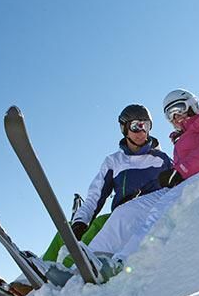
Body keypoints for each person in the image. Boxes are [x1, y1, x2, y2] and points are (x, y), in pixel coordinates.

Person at [62, 104, 172, 274]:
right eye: (136, 126)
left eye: (146, 126)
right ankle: (36, 276)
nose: (142, 131)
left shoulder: (161, 160)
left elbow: (173, 188)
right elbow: (95, 196)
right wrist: (80, 222)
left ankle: (71, 269)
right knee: (67, 229)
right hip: (117, 217)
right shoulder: (114, 161)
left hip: (141, 216)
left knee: (100, 226)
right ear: (124, 128)